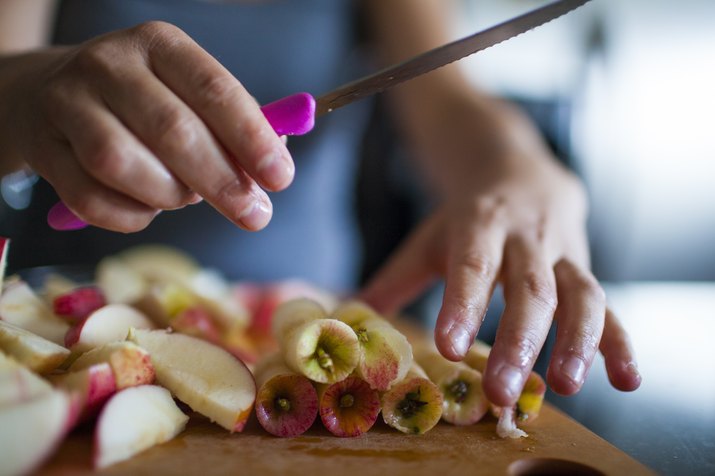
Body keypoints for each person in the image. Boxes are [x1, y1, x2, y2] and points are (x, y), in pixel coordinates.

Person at [0, 0, 640, 410]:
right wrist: (23, 92)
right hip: (61, 323)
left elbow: (447, 103)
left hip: (309, 325)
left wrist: (517, 162)